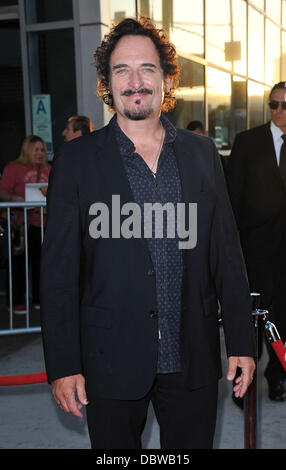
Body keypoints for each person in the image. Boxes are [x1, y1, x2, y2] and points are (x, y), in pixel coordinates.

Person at [40, 17, 255, 449]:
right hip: (109, 360)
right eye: (122, 70)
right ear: (107, 82)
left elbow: (225, 254)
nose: (135, 81)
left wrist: (241, 341)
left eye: (147, 69)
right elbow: (59, 273)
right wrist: (63, 364)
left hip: (191, 356)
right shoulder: (77, 161)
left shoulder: (201, 154)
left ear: (166, 78)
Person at [226, 81, 286, 402]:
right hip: (254, 251)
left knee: (284, 320)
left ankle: (277, 378)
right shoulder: (248, 142)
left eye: (284, 106)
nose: (278, 111)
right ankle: (240, 385)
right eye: (273, 104)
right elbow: (233, 197)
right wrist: (231, 250)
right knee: (249, 320)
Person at [0, 135, 51, 314]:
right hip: (20, 224)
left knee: (42, 264)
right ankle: (16, 301)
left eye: (42, 149)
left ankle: (39, 299)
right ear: (27, 150)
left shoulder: (49, 169)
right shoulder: (13, 168)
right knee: (18, 263)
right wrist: (14, 199)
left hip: (42, 225)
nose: (39, 153)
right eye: (36, 149)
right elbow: (3, 191)